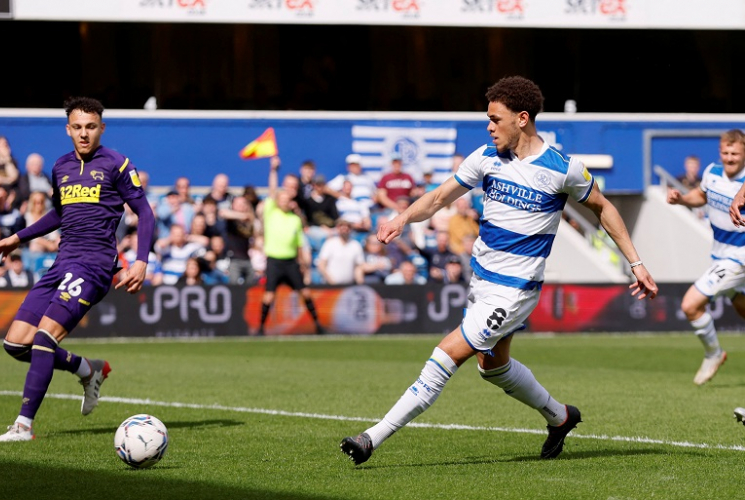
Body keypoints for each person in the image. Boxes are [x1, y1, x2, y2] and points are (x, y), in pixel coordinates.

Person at [339, 76, 658, 465]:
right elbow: (439, 198)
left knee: (446, 355)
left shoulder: (563, 169)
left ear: (522, 119)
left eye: (495, 119)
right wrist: (402, 218)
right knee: (492, 367)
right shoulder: (486, 158)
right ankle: (560, 417)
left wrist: (636, 262)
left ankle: (371, 438)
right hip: (482, 282)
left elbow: (604, 208)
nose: (489, 127)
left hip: (515, 289)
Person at [0, 96, 155, 442]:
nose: (84, 133)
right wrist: (16, 238)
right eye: (77, 127)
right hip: (61, 263)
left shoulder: (117, 164)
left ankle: (23, 426)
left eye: (90, 127)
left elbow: (145, 212)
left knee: (44, 337)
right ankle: (87, 368)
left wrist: (141, 261)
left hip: (94, 266)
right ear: (68, 129)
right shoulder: (61, 166)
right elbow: (60, 214)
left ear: (101, 128)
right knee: (15, 344)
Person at [669, 130, 745, 385]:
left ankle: (714, 354)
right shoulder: (712, 173)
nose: (729, 158)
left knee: (690, 305)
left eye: (735, 153)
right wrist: (682, 199)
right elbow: (701, 196)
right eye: (725, 152)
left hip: (739, 257)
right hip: (720, 253)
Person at [257, 156, 323, 335]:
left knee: (305, 293)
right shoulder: (271, 212)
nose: (284, 201)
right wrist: (274, 170)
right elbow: (272, 190)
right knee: (269, 295)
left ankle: (318, 325)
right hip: (274, 261)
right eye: (282, 198)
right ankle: (261, 328)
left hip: (291, 262)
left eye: (287, 199)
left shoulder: (295, 219)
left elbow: (299, 244)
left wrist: (302, 264)